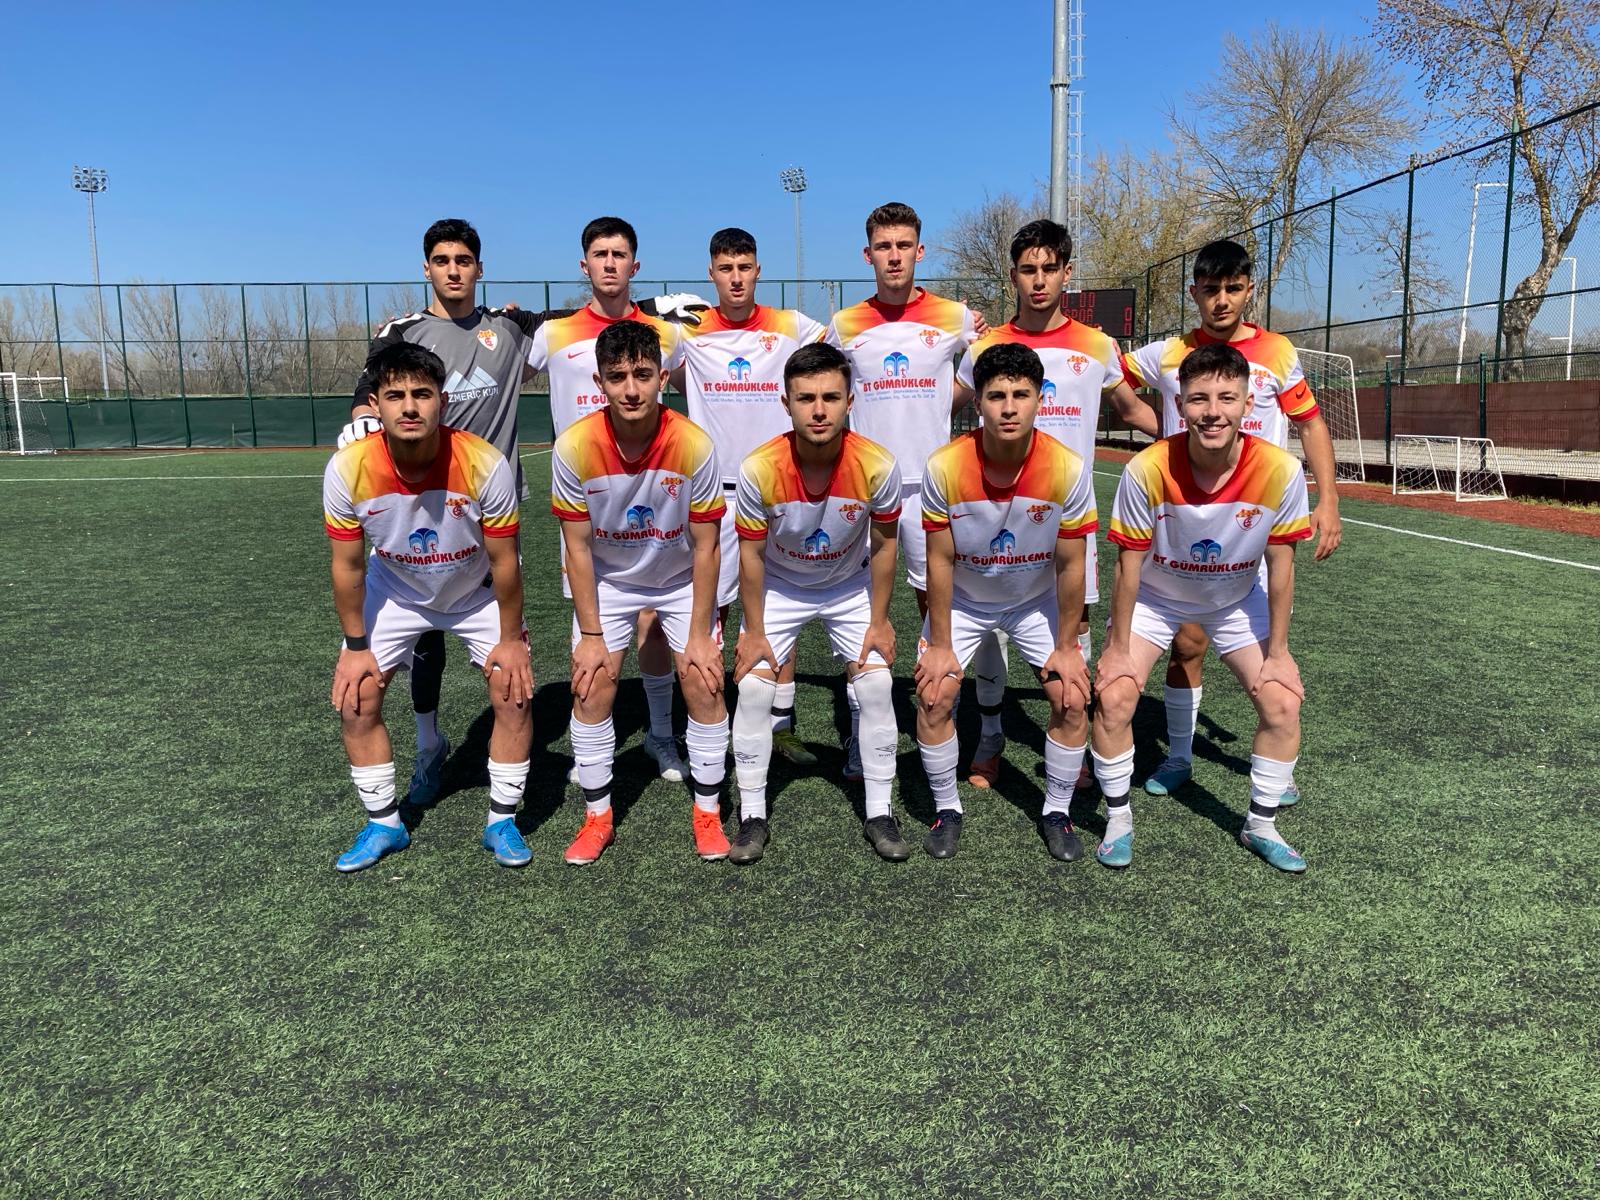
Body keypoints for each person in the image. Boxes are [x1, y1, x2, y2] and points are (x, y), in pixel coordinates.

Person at [338, 217, 699, 807]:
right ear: (426, 268)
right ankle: (429, 745)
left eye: (463, 260)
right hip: (413, 501)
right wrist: (360, 417)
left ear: (479, 268)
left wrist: (658, 304)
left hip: (488, 506)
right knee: (422, 629)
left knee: (513, 644)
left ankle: (520, 782)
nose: (453, 271)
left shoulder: (511, 328)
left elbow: (588, 314)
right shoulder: (403, 331)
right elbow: (373, 383)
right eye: (442, 261)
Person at [1122, 239, 1341, 803]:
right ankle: (1178, 755)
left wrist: (1328, 500)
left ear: (1249, 290)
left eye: (1233, 288)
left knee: (1271, 657)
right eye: (1211, 289)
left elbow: (1311, 424)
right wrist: (1157, 425)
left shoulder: (1277, 351)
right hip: (1190, 518)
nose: (1222, 300)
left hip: (1257, 522)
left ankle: (1277, 764)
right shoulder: (1170, 353)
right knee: (1187, 644)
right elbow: (1109, 374)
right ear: (1194, 292)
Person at [952, 218, 1159, 789]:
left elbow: (1131, 409)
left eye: (1049, 268)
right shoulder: (986, 346)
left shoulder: (1097, 345)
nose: (1038, 280)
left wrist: (1193, 438)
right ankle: (990, 737)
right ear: (1013, 276)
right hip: (994, 514)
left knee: (1076, 625)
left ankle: (1075, 739)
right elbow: (940, 406)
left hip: (1068, 519)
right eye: (1028, 270)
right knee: (991, 627)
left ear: (1068, 273)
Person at [1094, 342, 1311, 872]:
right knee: (1115, 696)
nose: (1213, 411)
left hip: (1235, 600)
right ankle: (1118, 821)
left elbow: (1281, 566)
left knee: (1282, 703)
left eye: (1226, 398)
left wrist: (1279, 653)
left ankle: (1260, 826)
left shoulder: (1281, 470)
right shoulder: (1146, 469)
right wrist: (1117, 648)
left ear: (1248, 403)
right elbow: (1126, 567)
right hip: (1156, 598)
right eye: (1198, 399)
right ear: (1179, 404)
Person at [323, 343, 533, 872]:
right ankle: (384, 824)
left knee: (513, 694)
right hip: (395, 589)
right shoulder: (347, 468)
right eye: (395, 395)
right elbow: (347, 567)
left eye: (422, 393)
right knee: (357, 697)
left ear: (443, 400)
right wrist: (355, 647)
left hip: (475, 592)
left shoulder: (484, 463)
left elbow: (506, 561)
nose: (410, 406)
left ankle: (501, 820)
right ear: (375, 404)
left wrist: (511, 640)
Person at [527, 216, 701, 782]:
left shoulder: (667, 335)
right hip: (587, 499)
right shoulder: (552, 334)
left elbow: (710, 382)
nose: (609, 263)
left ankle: (660, 735)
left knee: (653, 621)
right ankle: (591, 749)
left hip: (653, 494)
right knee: (590, 623)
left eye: (619, 254)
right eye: (599, 254)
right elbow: (494, 374)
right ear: (584, 265)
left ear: (635, 265)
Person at [552, 321, 729, 866]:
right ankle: (597, 818)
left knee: (703, 681)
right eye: (618, 377)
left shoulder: (695, 444)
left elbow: (707, 547)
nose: (631, 389)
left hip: (679, 578)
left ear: (663, 377)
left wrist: (698, 634)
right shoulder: (574, 446)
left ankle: (708, 813)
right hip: (610, 580)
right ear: (599, 382)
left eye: (643, 375)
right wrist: (590, 635)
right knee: (591, 686)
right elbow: (577, 549)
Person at [914, 343, 1097, 862]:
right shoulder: (945, 465)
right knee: (934, 695)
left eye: (1021, 394)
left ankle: (1056, 811)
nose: (1009, 408)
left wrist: (1068, 646)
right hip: (966, 600)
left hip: (1034, 601)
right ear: (978, 403)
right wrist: (941, 644)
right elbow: (939, 561)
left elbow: (1071, 566)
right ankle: (947, 809)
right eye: (996, 396)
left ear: (1041, 399)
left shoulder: (1067, 467)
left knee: (1071, 698)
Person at [728, 343, 908, 864]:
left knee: (876, 686)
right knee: (754, 691)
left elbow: (886, 544)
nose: (819, 409)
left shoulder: (878, 464)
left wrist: (879, 621)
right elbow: (751, 555)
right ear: (786, 403)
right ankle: (752, 816)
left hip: (847, 586)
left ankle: (879, 812)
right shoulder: (759, 467)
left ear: (850, 400)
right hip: (781, 586)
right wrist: (754, 631)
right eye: (806, 398)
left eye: (831, 397)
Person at [823, 201, 984, 778]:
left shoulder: (956, 318)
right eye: (883, 247)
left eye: (903, 246)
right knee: (859, 611)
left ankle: (941, 719)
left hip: (929, 490)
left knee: (935, 606)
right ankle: (863, 733)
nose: (894, 256)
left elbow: (975, 378)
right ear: (867, 255)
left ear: (920, 251)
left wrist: (939, 407)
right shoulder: (843, 325)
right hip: (862, 489)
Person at [670, 227, 827, 766]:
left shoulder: (792, 326)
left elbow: (846, 349)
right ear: (711, 274)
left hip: (778, 491)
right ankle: (708, 719)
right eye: (725, 268)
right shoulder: (688, 333)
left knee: (777, 605)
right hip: (712, 494)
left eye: (744, 267)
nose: (735, 278)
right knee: (710, 609)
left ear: (758, 271)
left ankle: (780, 726)